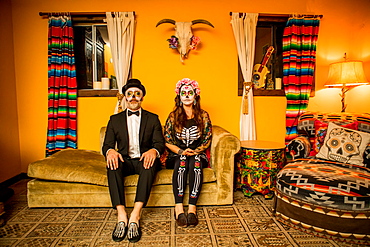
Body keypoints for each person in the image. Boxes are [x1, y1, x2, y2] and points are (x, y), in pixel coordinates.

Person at [102, 79, 165, 243]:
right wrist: (110, 152)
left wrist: (153, 150)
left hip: (144, 159)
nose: (133, 97)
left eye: (137, 94)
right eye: (129, 94)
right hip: (125, 160)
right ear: (125, 97)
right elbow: (107, 145)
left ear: (142, 97)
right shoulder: (114, 120)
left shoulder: (153, 119)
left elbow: (159, 143)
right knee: (112, 165)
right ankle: (121, 215)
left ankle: (135, 216)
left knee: (149, 163)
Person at [164, 78, 212, 227]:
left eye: (189, 93)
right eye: (183, 93)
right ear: (179, 96)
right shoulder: (173, 116)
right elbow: (167, 140)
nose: (186, 95)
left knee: (196, 161)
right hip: (176, 154)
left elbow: (207, 138)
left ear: (195, 96)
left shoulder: (203, 116)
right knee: (183, 161)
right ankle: (178, 206)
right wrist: (181, 151)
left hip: (198, 153)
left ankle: (192, 207)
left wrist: (195, 151)